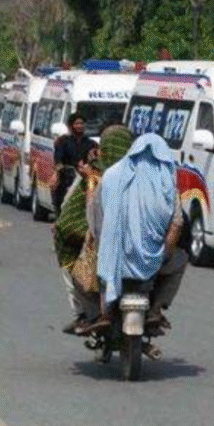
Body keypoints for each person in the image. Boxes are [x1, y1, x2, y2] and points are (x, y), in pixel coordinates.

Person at [85, 133, 187, 336]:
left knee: (95, 260)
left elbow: (95, 215)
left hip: (115, 254)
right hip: (152, 259)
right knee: (181, 259)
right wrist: (162, 254)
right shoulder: (167, 182)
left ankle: (101, 312)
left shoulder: (112, 175)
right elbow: (177, 223)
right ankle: (156, 307)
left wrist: (101, 242)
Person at [52, 125, 133, 335]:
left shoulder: (93, 174)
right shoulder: (140, 173)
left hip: (98, 240)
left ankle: (83, 313)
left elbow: (70, 214)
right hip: (137, 244)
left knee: (72, 263)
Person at [52, 113, 95, 210]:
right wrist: (59, 171)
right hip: (67, 177)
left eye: (81, 123)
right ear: (71, 126)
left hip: (85, 178)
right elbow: (58, 160)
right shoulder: (63, 141)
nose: (79, 126)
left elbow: (95, 159)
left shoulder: (91, 143)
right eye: (77, 123)